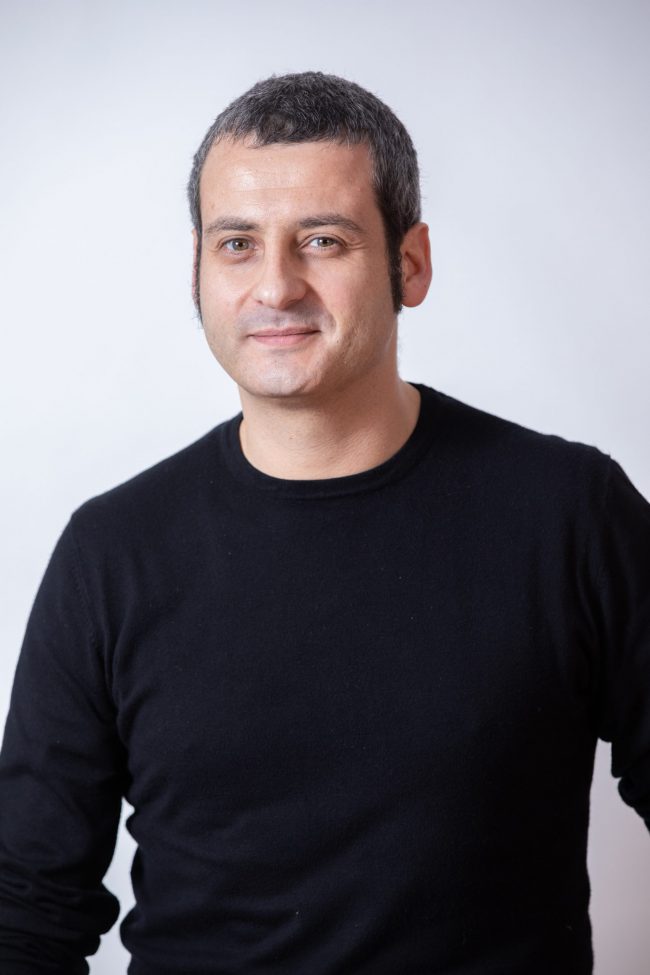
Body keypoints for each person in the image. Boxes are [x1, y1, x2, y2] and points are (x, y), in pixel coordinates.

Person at [0, 71, 648, 975]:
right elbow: (26, 912)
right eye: (237, 244)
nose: (276, 285)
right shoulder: (110, 554)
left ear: (409, 263)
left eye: (323, 240)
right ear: (199, 271)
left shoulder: (569, 513)